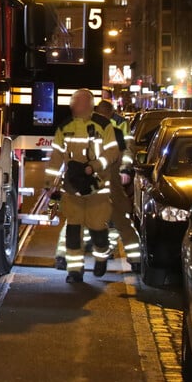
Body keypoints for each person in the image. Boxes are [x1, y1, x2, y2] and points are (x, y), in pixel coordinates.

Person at [45, 89, 120, 283]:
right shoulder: (65, 127)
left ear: (89, 105)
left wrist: (93, 166)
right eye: (73, 103)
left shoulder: (103, 125)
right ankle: (75, 270)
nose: (74, 107)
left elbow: (112, 153)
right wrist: (50, 184)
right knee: (73, 228)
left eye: (78, 103)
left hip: (97, 186)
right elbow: (56, 157)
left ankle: (101, 256)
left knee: (97, 228)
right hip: (72, 186)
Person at [95, 99, 140, 271]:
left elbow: (128, 148)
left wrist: (125, 169)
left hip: (108, 180)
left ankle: (105, 257)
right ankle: (132, 259)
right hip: (106, 181)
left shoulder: (120, 124)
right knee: (119, 221)